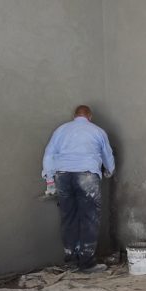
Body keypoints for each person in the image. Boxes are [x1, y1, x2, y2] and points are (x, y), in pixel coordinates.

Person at [42, 105, 115, 273]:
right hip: (86, 175)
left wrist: (50, 179)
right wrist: (109, 171)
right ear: (89, 116)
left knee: (69, 217)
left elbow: (49, 154)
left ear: (74, 115)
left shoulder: (61, 130)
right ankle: (87, 262)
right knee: (89, 218)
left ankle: (71, 259)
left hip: (63, 176)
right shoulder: (97, 131)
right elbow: (107, 155)